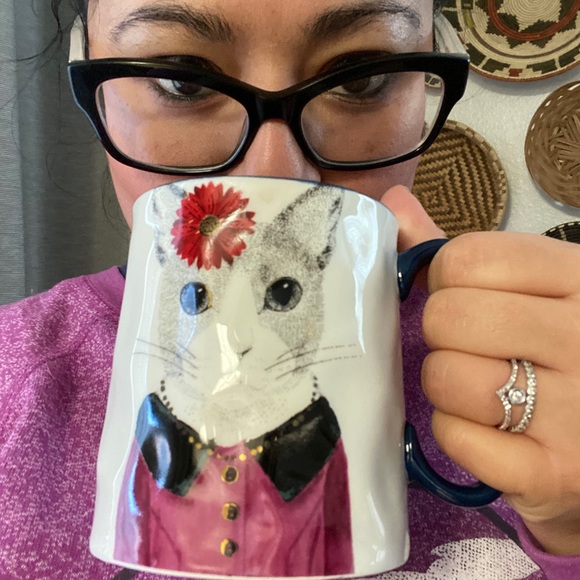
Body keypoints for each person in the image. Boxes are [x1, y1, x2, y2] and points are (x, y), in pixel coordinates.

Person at [1, 0, 579, 578]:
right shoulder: (15, 379)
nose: (275, 172)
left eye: (361, 77)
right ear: (90, 75)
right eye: (181, 80)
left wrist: (571, 527)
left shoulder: (543, 363)